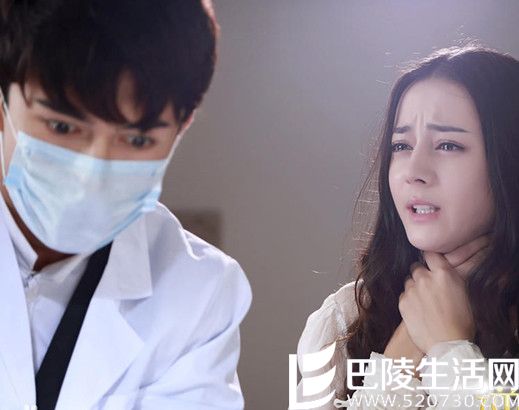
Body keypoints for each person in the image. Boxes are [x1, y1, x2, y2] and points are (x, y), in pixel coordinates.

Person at [0, 1, 252, 409]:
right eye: (62, 126)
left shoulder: (197, 292)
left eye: (137, 140)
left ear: (181, 129)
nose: (92, 173)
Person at [296, 45, 519, 410]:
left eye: (448, 145)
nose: (413, 171)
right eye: (401, 145)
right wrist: (401, 357)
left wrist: (449, 348)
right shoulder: (341, 320)